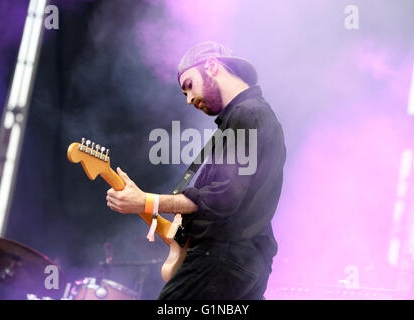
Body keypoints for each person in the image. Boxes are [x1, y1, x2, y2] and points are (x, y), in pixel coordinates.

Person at [105, 41, 286, 299]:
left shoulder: (247, 115)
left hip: (221, 257)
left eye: (189, 85)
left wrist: (145, 201)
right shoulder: (250, 116)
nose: (189, 100)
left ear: (211, 66)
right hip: (245, 264)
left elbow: (223, 198)